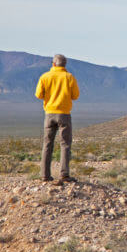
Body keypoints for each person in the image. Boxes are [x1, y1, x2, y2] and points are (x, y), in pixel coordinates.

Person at [35, 54, 80, 185]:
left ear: (53, 64)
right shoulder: (69, 77)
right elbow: (75, 95)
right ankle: (64, 174)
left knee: (47, 144)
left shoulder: (45, 77)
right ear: (64, 65)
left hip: (49, 114)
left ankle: (44, 175)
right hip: (64, 114)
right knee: (65, 144)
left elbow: (38, 95)